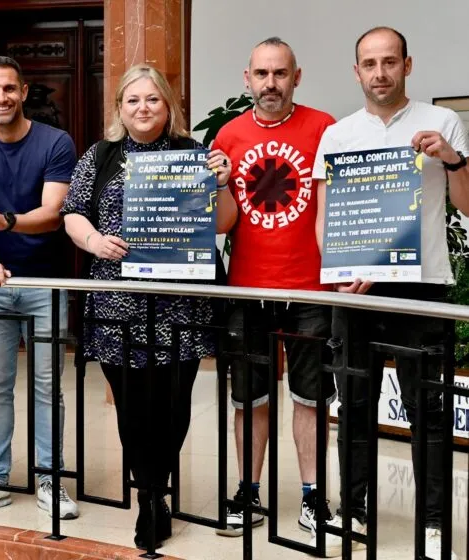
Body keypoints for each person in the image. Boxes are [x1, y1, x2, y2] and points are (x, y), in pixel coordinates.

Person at [62, 63, 236, 549]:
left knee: (174, 406)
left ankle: (157, 487)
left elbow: (224, 223)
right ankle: (149, 495)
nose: (143, 108)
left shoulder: (194, 155)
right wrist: (95, 241)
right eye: (133, 100)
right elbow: (72, 213)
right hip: (117, 307)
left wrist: (222, 184)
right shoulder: (101, 155)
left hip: (181, 308)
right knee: (133, 407)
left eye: (152, 99)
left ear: (168, 105)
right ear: (119, 107)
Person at [314, 26, 469, 559]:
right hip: (356, 290)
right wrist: (338, 272)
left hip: (422, 287)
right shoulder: (338, 135)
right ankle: (354, 512)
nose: (379, 73)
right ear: (356, 71)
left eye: (389, 62)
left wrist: (453, 159)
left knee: (429, 410)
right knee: (354, 405)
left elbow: (467, 205)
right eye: (369, 63)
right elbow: (326, 217)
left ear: (407, 64)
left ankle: (433, 523)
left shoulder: (441, 122)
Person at [211, 37, 337, 538]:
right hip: (247, 289)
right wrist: (219, 184)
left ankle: (313, 496)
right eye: (261, 74)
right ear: (247, 79)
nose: (270, 83)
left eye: (280, 73)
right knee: (249, 398)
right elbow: (221, 223)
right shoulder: (227, 135)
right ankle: (248, 491)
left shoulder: (324, 128)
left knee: (311, 397)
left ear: (296, 77)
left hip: (310, 289)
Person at [0, 56, 79, 520]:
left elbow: (52, 214)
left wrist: (8, 220)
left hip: (44, 282)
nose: (1, 97)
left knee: (48, 386)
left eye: (9, 88)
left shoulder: (55, 142)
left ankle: (50, 480)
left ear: (24, 92)